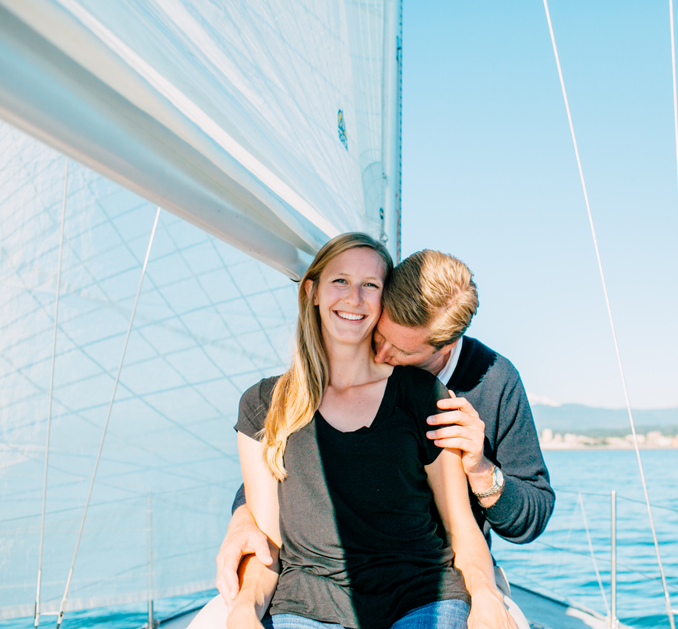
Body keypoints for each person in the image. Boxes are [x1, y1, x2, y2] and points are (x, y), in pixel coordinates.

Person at [207, 249, 553, 628]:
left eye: (403, 351)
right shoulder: (283, 395)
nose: (381, 352)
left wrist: (481, 469)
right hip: (318, 584)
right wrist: (244, 516)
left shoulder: (487, 384)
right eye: (380, 335)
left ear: (445, 348)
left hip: (442, 572)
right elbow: (298, 473)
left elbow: (527, 519)